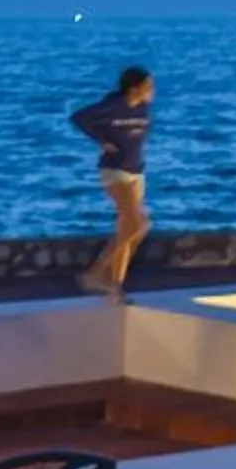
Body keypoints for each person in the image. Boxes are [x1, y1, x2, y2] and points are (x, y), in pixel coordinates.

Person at [72, 67, 155, 297]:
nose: (152, 90)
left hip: (137, 172)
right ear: (134, 87)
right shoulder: (113, 106)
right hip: (114, 171)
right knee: (139, 224)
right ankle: (94, 274)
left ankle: (115, 285)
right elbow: (79, 118)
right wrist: (102, 141)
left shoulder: (143, 108)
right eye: (148, 85)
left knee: (128, 229)